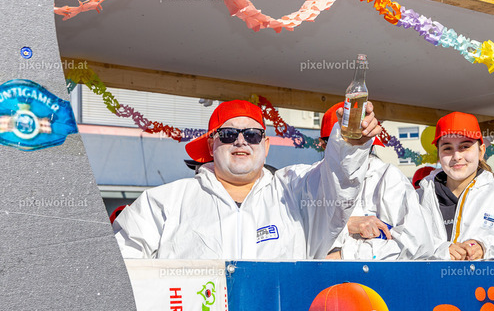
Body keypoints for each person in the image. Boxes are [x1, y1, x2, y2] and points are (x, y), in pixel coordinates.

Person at [114, 99, 382, 259]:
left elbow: (337, 182)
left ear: (265, 146)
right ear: (211, 146)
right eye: (228, 134)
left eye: (252, 134)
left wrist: (350, 144)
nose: (241, 141)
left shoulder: (294, 191)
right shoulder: (165, 202)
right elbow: (122, 265)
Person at [320, 103, 440, 260]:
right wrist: (346, 225)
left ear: (369, 142)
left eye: (357, 140)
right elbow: (300, 233)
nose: (349, 148)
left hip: (371, 275)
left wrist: (343, 255)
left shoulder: (388, 177)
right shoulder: (313, 179)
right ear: (324, 145)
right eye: (340, 142)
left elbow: (417, 243)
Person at [418, 112, 494, 265]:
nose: (456, 156)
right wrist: (441, 251)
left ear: (481, 151)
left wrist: (485, 247)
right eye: (447, 148)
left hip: (484, 280)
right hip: (430, 280)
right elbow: (405, 246)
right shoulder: (421, 196)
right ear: (439, 154)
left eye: (465, 147)